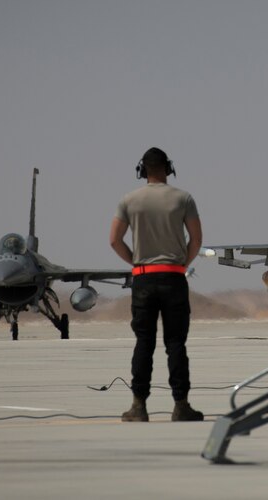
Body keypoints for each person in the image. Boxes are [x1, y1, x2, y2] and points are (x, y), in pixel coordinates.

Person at [110, 147, 204, 423]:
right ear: (168, 167)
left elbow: (115, 240)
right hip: (174, 277)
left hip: (144, 278)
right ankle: (181, 405)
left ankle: (138, 406)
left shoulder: (129, 200)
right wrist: (182, 263)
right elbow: (196, 239)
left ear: (142, 170)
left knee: (144, 342)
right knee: (176, 343)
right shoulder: (183, 198)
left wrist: (136, 264)